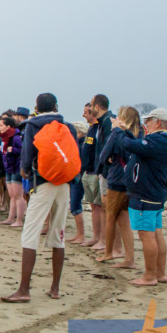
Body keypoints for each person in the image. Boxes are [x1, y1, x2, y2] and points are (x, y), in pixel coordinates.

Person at [2, 93, 77, 303]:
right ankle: (55, 288)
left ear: (37, 107)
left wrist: (25, 170)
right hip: (64, 182)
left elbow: (27, 153)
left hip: (43, 182)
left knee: (30, 233)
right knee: (58, 234)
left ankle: (24, 289)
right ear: (56, 106)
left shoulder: (32, 125)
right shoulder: (67, 126)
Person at [115, 107, 167, 286]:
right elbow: (138, 146)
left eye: (148, 120)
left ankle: (149, 276)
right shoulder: (166, 140)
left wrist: (118, 130)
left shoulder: (158, 140)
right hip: (155, 193)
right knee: (156, 234)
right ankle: (160, 273)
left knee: (146, 235)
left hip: (146, 195)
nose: (144, 124)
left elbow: (128, 145)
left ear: (158, 122)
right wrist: (126, 132)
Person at [96, 106, 143, 267]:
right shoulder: (138, 134)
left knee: (111, 218)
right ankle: (130, 258)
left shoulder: (118, 135)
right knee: (124, 220)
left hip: (117, 181)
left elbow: (103, 156)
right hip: (131, 181)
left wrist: (115, 131)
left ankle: (108, 253)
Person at [76, 103, 104, 246]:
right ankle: (95, 237)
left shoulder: (100, 128)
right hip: (87, 171)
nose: (83, 115)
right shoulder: (91, 129)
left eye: (86, 112)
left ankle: (102, 239)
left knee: (99, 207)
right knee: (93, 206)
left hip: (96, 172)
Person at [91, 94, 115, 251]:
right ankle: (104, 242)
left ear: (97, 106)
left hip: (108, 172)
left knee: (108, 209)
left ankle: (107, 244)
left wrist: (104, 170)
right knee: (103, 207)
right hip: (102, 170)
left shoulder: (108, 122)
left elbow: (109, 148)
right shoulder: (102, 122)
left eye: (91, 105)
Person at [0, 115, 25, 228]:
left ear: (8, 126)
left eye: (1, 126)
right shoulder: (4, 138)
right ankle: (10, 217)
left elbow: (23, 150)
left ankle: (19, 219)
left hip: (16, 167)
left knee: (18, 195)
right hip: (8, 167)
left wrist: (13, 150)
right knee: (12, 195)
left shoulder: (16, 137)